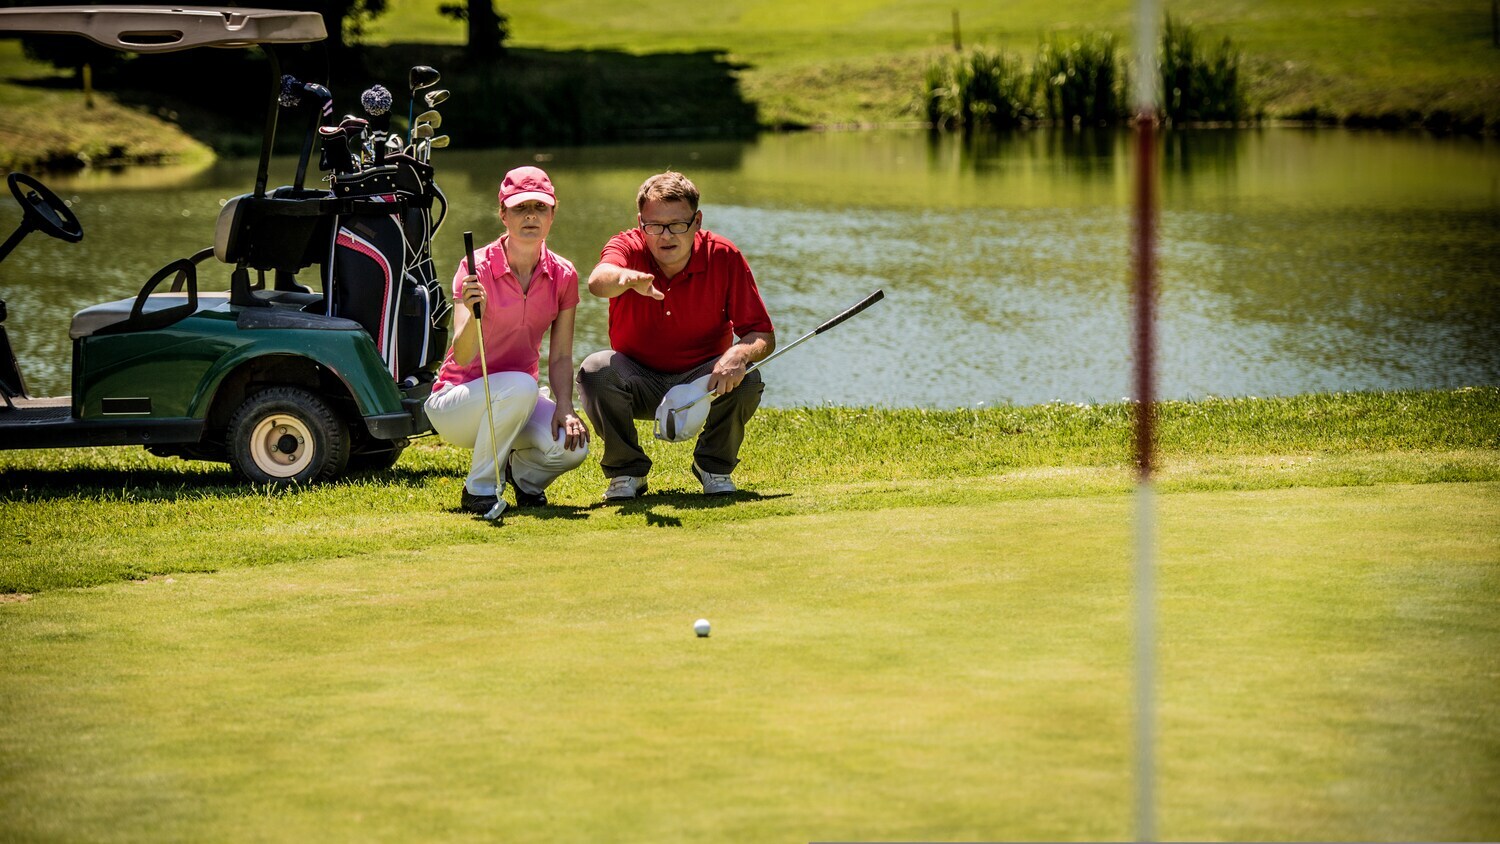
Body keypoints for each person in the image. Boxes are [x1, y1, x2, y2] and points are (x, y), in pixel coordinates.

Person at [577, 171, 775, 501]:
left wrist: (739, 354)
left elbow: (762, 334)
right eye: (654, 225)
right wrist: (625, 277)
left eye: (677, 224)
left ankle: (713, 466)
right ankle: (627, 471)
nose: (665, 235)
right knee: (595, 369)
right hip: (638, 380)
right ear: (641, 222)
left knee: (749, 377)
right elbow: (598, 281)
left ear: (696, 221)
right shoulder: (626, 245)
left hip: (703, 383)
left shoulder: (724, 255)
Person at [426, 166, 590, 516]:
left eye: (540, 207)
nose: (530, 215)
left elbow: (561, 356)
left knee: (572, 447)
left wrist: (565, 406)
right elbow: (464, 352)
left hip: (518, 398)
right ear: (503, 214)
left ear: (552, 213)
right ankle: (479, 489)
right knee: (521, 385)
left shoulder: (564, 274)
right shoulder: (475, 268)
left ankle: (524, 479)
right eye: (519, 208)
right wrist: (473, 312)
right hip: (457, 403)